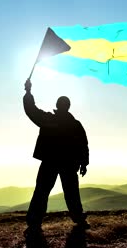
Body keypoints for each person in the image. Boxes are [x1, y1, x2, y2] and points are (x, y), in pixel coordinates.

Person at [23, 79, 90, 234]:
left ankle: (34, 221)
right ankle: (79, 219)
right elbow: (83, 145)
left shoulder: (50, 120)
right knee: (70, 192)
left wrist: (28, 92)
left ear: (58, 105)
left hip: (51, 161)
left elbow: (31, 110)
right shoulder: (75, 124)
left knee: (42, 191)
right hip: (67, 163)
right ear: (67, 106)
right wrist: (84, 163)